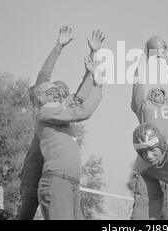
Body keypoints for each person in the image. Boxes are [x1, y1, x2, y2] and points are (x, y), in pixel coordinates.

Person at [17, 28, 104, 219]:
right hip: (38, 159)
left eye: (64, 91)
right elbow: (43, 77)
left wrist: (93, 54)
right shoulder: (45, 109)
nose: (60, 91)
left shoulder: (67, 107)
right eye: (56, 89)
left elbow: (84, 89)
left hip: (60, 169)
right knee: (28, 204)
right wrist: (58, 47)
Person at [130, 36, 168, 220]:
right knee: (144, 204)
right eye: (153, 90)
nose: (157, 91)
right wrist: (145, 56)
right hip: (146, 158)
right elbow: (137, 81)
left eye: (161, 90)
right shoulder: (143, 105)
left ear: (166, 95)